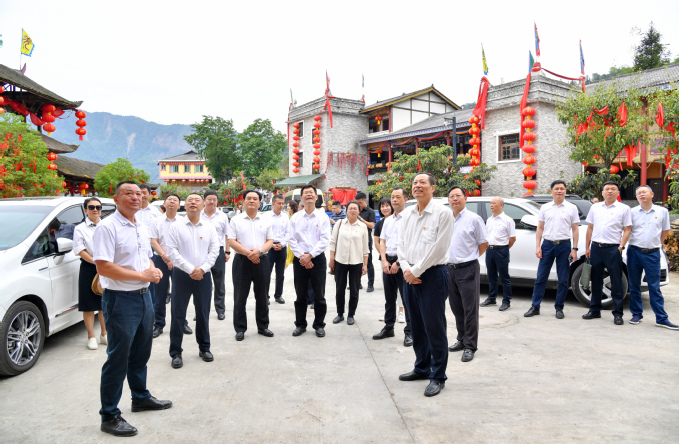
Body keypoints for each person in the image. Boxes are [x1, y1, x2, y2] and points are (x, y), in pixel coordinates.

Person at [94, 181, 171, 437]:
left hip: (144, 296)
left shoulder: (141, 224)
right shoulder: (107, 227)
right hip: (120, 299)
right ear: (115, 198)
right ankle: (110, 415)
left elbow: (144, 255)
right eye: (129, 194)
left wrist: (152, 268)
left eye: (139, 194)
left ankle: (140, 397)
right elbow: (103, 267)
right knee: (118, 357)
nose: (135, 198)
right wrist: (142, 275)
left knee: (140, 353)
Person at [397, 173, 454, 397]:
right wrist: (406, 269)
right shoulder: (408, 214)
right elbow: (400, 244)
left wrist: (416, 270)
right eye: (414, 183)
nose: (418, 186)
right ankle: (422, 366)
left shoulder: (443, 213)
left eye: (423, 183)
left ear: (433, 187)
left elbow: (439, 248)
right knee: (417, 326)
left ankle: (438, 375)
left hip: (432, 275)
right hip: (409, 273)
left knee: (434, 327)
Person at [166, 193, 220, 368]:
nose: (193, 203)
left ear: (203, 204)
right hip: (182, 275)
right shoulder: (175, 226)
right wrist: (191, 269)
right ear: (184, 205)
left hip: (203, 275)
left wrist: (202, 269)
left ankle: (204, 347)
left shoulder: (209, 227)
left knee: (203, 313)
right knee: (178, 314)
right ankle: (175, 352)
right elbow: (172, 251)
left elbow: (214, 251)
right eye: (190, 200)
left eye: (197, 200)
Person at [524, 180, 580, 320]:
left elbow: (575, 229)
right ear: (552, 191)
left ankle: (559, 307)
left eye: (562, 188)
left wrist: (574, 248)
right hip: (547, 245)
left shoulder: (572, 207)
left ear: (565, 191)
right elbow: (540, 227)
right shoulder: (545, 208)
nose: (559, 191)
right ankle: (535, 306)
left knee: (562, 279)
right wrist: (538, 246)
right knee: (541, 277)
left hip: (564, 246)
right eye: (556, 188)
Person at [446, 186, 488, 363]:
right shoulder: (446, 219)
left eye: (458, 196)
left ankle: (470, 346)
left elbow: (483, 243)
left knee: (470, 309)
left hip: (468, 268)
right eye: (452, 196)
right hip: (449, 269)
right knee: (456, 308)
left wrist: (469, 258)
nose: (455, 199)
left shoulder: (474, 219)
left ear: (465, 198)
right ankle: (461, 339)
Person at [627, 185, 677, 329]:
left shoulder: (662, 211)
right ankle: (636, 314)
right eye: (638, 193)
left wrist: (657, 243)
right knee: (634, 284)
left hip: (653, 253)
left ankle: (661, 318)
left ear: (652, 194)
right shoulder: (632, 212)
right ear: (636, 197)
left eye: (644, 192)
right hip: (634, 252)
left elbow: (665, 230)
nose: (641, 195)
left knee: (654, 287)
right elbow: (627, 230)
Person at [583, 181, 632, 324]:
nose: (610, 191)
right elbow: (590, 228)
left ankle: (618, 314)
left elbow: (627, 229)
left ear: (618, 192)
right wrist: (587, 247)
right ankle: (594, 309)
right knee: (596, 280)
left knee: (616, 281)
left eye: (613, 189)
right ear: (602, 192)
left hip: (613, 248)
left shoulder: (624, 208)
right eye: (607, 189)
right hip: (596, 248)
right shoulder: (595, 207)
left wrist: (621, 247)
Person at [229, 190, 275, 341]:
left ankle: (263, 326)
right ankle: (240, 328)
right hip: (242, 262)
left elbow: (270, 241)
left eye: (255, 199)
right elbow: (232, 241)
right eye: (248, 198)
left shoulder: (265, 220)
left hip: (262, 261)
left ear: (260, 203)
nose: (252, 201)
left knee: (262, 296)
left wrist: (259, 252)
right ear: (243, 201)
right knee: (240, 297)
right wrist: (249, 254)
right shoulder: (236, 220)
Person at [289, 184, 331, 338]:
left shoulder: (323, 217)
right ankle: (300, 325)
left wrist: (310, 255)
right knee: (300, 294)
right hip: (300, 259)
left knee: (319, 295)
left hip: (317, 259)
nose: (308, 195)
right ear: (301, 198)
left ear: (315, 197)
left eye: (311, 193)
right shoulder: (295, 218)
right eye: (305, 193)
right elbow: (291, 239)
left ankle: (319, 325)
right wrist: (303, 256)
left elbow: (325, 239)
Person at [373, 188, 412, 346]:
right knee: (389, 298)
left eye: (398, 197)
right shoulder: (387, 220)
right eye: (392, 197)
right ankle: (389, 327)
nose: (394, 200)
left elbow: (411, 244)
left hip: (403, 263)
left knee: (407, 299)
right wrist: (384, 260)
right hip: (387, 262)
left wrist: (398, 263)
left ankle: (410, 331)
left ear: (406, 199)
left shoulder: (410, 218)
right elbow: (383, 242)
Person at [149, 194, 190, 339]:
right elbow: (154, 242)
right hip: (161, 259)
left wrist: (175, 258)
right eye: (169, 200)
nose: (172, 202)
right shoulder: (156, 221)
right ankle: (159, 324)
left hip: (179, 260)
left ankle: (182, 322)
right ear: (164, 204)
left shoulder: (184, 221)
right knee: (160, 293)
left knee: (180, 293)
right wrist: (165, 257)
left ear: (179, 206)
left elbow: (186, 242)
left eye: (175, 201)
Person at [73, 197, 107, 350]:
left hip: (107, 267)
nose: (95, 210)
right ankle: (91, 336)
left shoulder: (107, 225)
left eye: (98, 207)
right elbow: (80, 250)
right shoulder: (80, 228)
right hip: (89, 267)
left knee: (104, 304)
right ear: (85, 210)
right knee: (88, 305)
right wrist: (96, 262)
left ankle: (104, 334)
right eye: (91, 207)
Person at [329, 201, 369, 325]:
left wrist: (365, 264)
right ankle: (340, 313)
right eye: (350, 208)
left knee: (354, 289)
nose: (352, 210)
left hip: (356, 262)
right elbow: (332, 242)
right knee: (339, 289)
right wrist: (331, 260)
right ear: (346, 211)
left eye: (355, 208)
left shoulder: (362, 227)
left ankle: (351, 314)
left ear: (358, 211)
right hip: (340, 261)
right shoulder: (339, 224)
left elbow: (365, 248)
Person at [481, 197, 516, 311]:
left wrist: (504, 248)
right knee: (491, 276)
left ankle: (506, 301)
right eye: (490, 203)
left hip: (501, 250)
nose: (491, 205)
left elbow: (512, 238)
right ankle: (492, 298)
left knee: (504, 277)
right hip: (490, 250)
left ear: (501, 205)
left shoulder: (508, 220)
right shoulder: (489, 220)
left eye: (494, 203)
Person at [201, 190, 231, 321]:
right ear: (204, 201)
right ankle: (201, 310)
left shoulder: (222, 216)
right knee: (202, 282)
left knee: (219, 282)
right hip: (202, 252)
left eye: (214, 199)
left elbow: (227, 235)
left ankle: (220, 310)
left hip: (218, 251)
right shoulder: (198, 214)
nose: (211, 202)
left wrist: (227, 251)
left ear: (217, 201)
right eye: (209, 199)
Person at [267, 194, 292, 305]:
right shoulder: (266, 217)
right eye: (279, 203)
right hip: (269, 248)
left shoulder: (285, 217)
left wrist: (282, 244)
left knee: (280, 274)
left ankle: (278, 295)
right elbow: (264, 233)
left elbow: (288, 233)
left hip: (282, 248)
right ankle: (265, 296)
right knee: (266, 273)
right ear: (273, 204)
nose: (281, 205)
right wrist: (271, 244)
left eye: (283, 204)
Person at [355, 192, 376, 292]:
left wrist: (360, 218)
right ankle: (357, 283)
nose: (358, 205)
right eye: (357, 203)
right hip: (356, 240)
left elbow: (371, 226)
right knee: (356, 262)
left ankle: (370, 284)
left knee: (369, 263)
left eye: (360, 203)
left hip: (367, 240)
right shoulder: (355, 211)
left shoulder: (370, 211)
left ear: (365, 201)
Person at [285, 200, 299, 270]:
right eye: (287, 206)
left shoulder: (296, 216)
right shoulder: (290, 216)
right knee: (288, 258)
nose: (287, 207)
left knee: (290, 258)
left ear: (292, 207)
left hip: (295, 241)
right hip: (290, 241)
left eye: (288, 206)